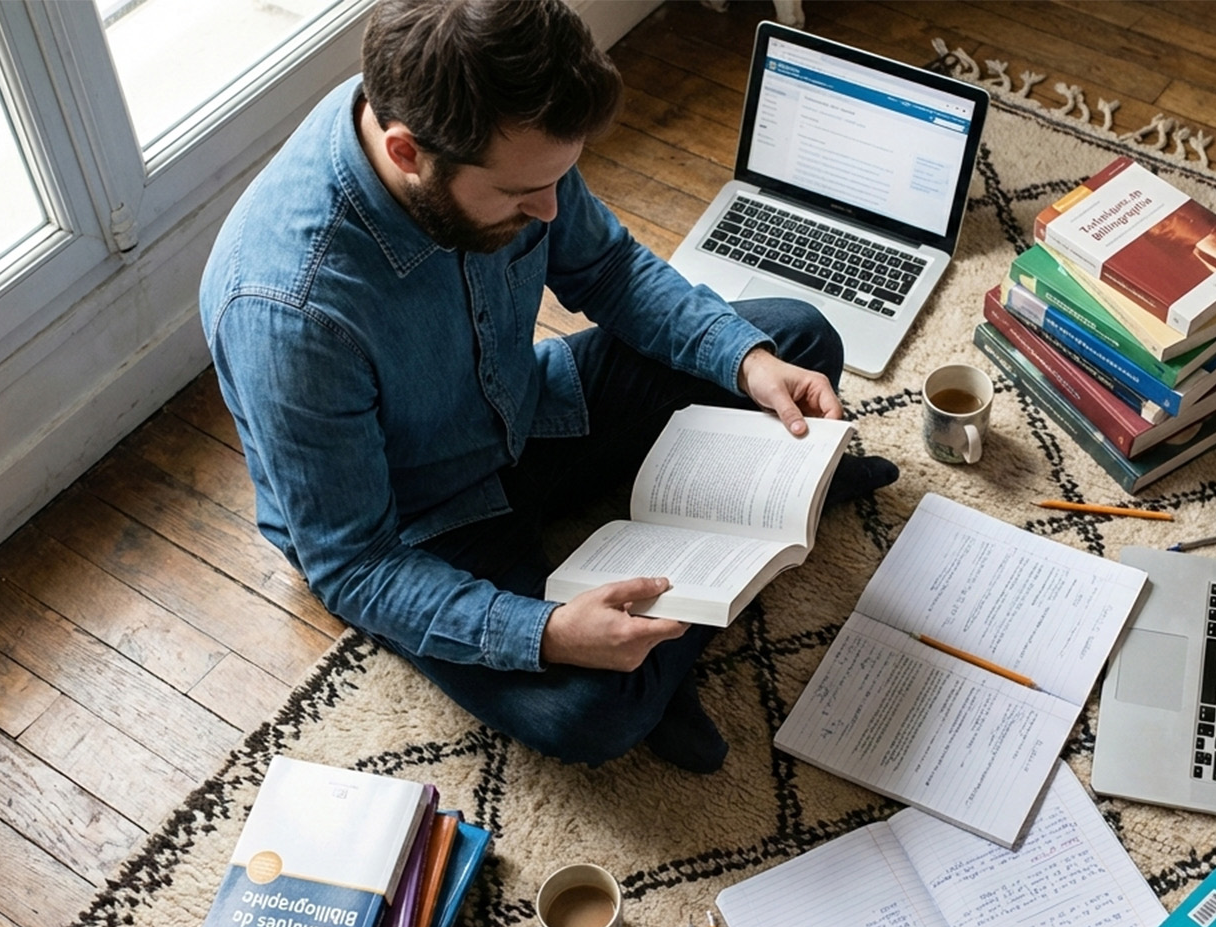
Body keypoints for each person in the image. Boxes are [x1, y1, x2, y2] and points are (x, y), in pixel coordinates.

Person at [199, 0, 896, 774]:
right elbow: (355, 564)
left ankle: (726, 569)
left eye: (558, 178)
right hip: (426, 524)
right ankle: (747, 551)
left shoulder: (491, 129)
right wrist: (551, 634)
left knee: (795, 340)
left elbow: (608, 268)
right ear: (406, 154)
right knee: (589, 714)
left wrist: (745, 363)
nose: (550, 210)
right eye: (521, 195)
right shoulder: (289, 314)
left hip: (534, 409)